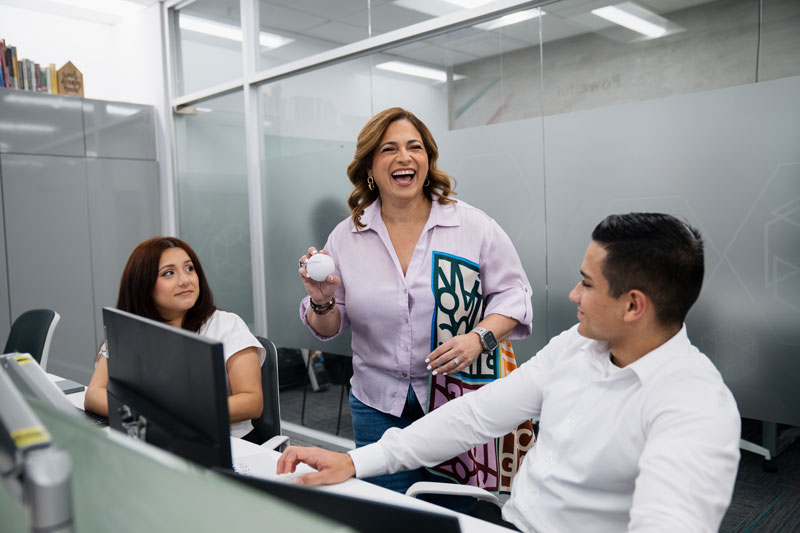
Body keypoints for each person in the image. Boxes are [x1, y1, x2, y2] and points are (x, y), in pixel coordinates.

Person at [280, 213, 742, 532]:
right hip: (510, 523)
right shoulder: (576, 347)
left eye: (586, 282)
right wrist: (356, 460)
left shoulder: (694, 407)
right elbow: (474, 416)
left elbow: (669, 520)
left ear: (633, 305)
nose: (572, 295)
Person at [297, 107, 533, 494]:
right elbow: (328, 325)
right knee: (389, 516)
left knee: (454, 510)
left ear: (427, 160)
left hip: (456, 401)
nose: (404, 157)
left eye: (414, 147)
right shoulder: (346, 237)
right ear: (370, 167)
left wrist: (479, 339)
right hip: (377, 406)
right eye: (389, 149)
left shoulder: (471, 226)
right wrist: (322, 302)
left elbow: (514, 295)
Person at [85, 236, 265, 440]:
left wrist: (175, 415)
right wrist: (149, 419)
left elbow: (252, 402)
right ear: (143, 284)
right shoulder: (130, 330)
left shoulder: (226, 324)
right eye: (168, 273)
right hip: (157, 440)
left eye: (189, 269)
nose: (185, 280)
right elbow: (93, 394)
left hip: (227, 443)